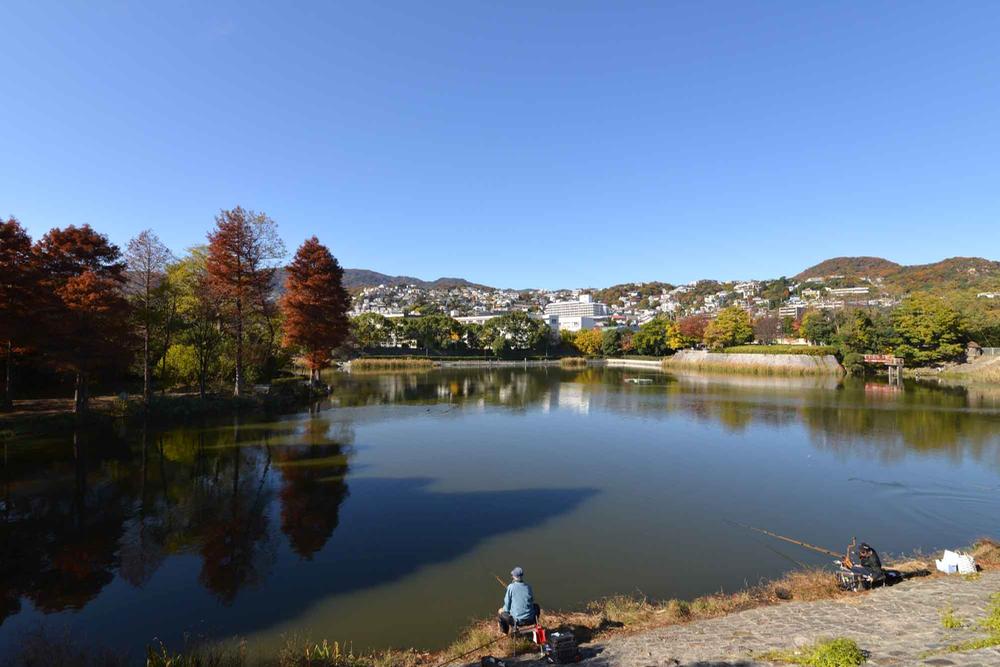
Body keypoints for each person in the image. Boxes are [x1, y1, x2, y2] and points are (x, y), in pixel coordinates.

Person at [497, 566, 541, 634]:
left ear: (514, 576)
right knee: (536, 606)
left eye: (512, 575)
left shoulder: (511, 587)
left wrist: (504, 610)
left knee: (500, 612)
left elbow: (507, 606)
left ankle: (505, 632)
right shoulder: (528, 587)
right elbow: (531, 601)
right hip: (530, 619)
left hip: (517, 622)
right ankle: (535, 623)